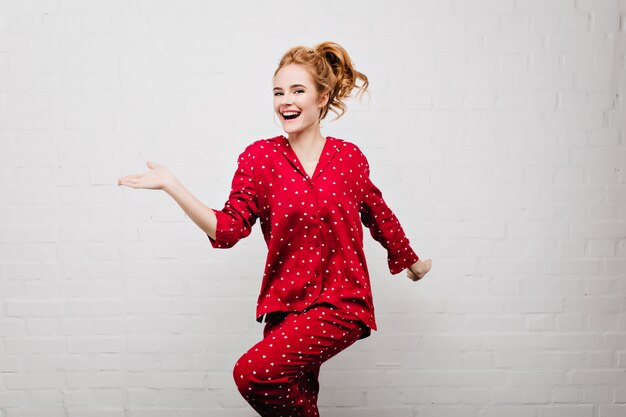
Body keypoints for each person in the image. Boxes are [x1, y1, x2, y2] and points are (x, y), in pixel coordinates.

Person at [117, 41, 432, 417]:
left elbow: (378, 213)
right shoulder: (260, 159)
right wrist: (172, 185)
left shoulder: (349, 158)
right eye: (279, 92)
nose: (286, 100)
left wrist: (410, 261)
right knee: (294, 401)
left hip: (342, 302)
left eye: (298, 90)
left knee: (253, 374)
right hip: (285, 309)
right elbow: (228, 229)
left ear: (322, 97)